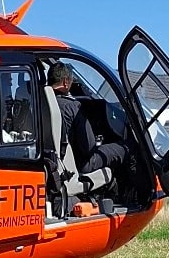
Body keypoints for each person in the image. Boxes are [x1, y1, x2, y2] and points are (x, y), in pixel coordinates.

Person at [46, 61, 127, 200]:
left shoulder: (42, 104)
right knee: (125, 148)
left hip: (54, 162)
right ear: (66, 82)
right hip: (79, 164)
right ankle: (130, 198)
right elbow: (89, 147)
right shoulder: (72, 107)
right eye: (71, 80)